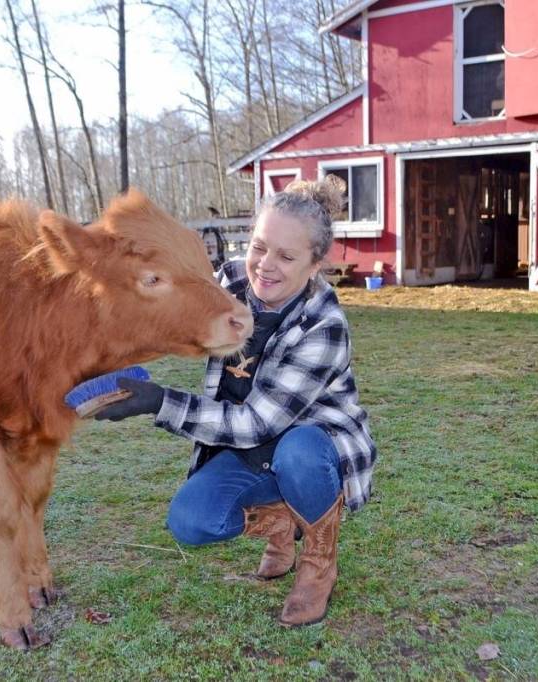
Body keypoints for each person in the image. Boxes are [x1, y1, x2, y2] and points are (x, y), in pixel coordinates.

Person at [95, 176, 377, 627]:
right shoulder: (227, 283)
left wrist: (158, 402)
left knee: (299, 451)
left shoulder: (324, 326)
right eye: (259, 246)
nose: (265, 266)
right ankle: (283, 523)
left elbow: (254, 424)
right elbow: (164, 318)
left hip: (309, 446)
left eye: (286, 256)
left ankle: (318, 563)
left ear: (315, 264)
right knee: (190, 522)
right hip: (245, 450)